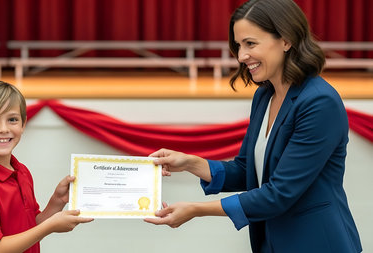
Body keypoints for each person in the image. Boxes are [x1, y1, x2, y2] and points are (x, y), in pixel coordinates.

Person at [144, 0, 362, 252]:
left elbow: (279, 193)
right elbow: (248, 170)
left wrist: (195, 209)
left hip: (316, 242)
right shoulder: (265, 95)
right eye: (238, 45)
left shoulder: (319, 102)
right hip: (271, 243)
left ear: (286, 40)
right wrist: (190, 163)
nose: (241, 56)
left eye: (250, 44)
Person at [0, 80, 93, 253]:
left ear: (23, 124)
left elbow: (31, 227)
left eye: (12, 119)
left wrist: (56, 202)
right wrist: (49, 227)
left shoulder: (21, 171)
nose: (4, 129)